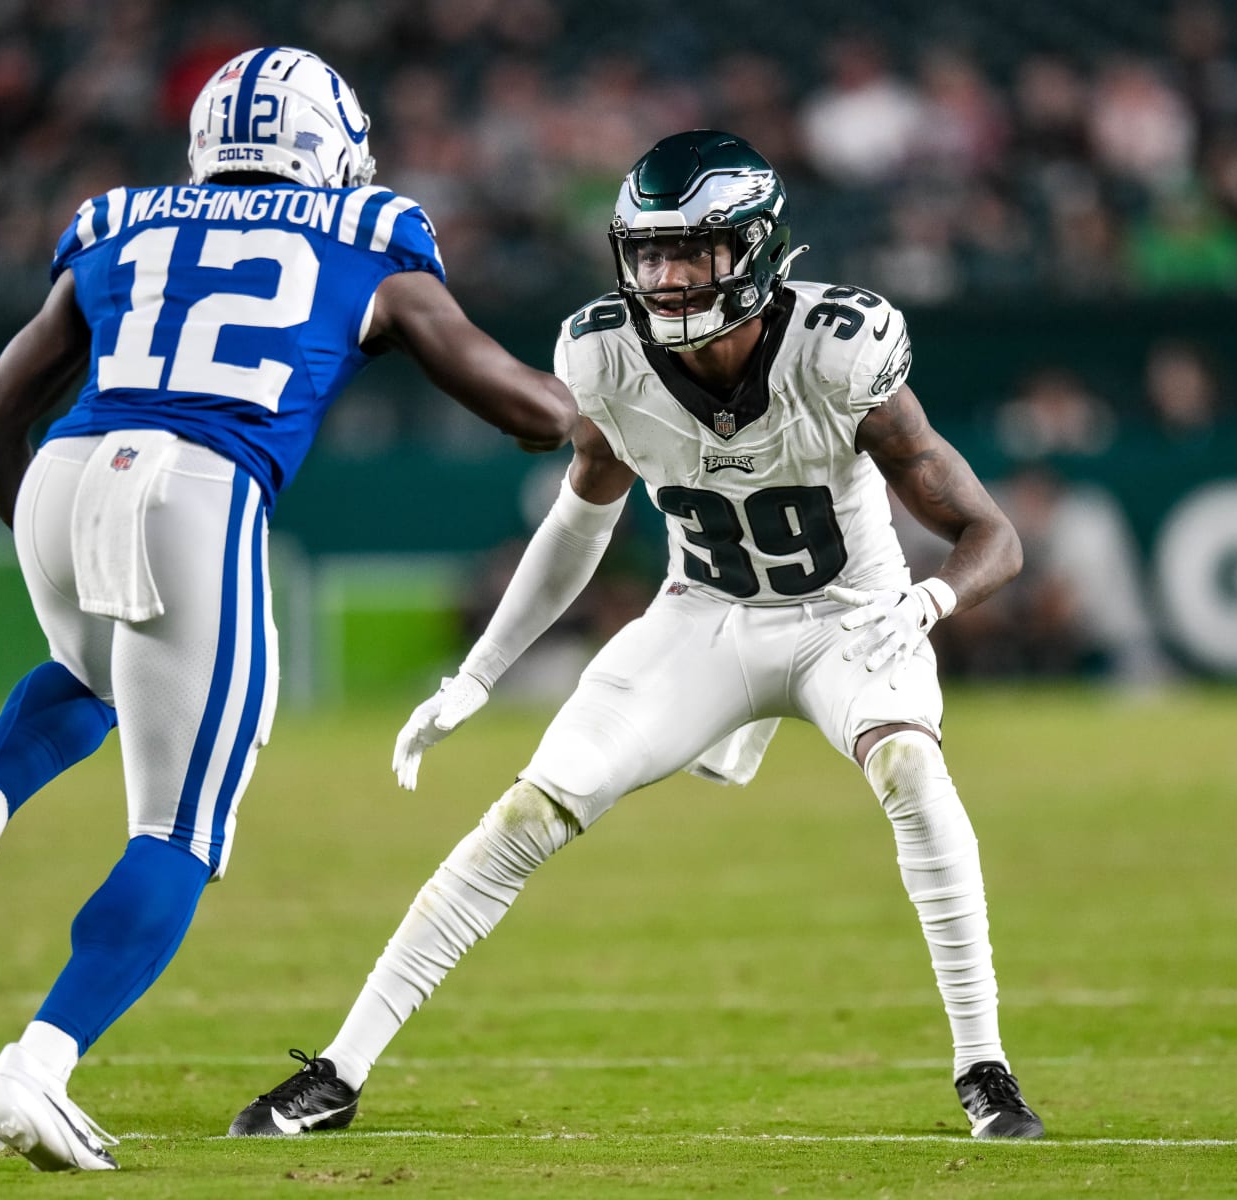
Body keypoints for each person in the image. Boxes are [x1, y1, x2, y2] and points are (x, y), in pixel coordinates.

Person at [228, 130, 1045, 1142]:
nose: (663, 276)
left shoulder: (839, 347)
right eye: (648, 252)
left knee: (914, 779)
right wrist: (481, 673)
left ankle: (984, 1067)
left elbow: (990, 534)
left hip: (851, 619)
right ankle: (339, 1072)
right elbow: (578, 523)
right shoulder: (606, 354)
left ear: (754, 248)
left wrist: (928, 604)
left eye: (690, 251)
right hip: (701, 619)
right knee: (524, 813)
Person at [0, 46, 576, 1172]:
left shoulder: (122, 223)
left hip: (66, 467)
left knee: (95, 673)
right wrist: (586, 400)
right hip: (199, 487)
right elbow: (526, 409)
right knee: (181, 829)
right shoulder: (370, 236)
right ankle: (38, 1067)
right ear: (330, 145)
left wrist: (50, 539)